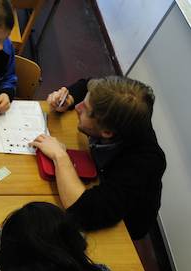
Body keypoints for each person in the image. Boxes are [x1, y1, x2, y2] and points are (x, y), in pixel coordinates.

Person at [30, 76, 166, 240]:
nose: (78, 108)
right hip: (100, 176)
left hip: (123, 223)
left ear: (107, 132)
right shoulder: (122, 109)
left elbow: (82, 211)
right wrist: (70, 98)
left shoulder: (144, 164)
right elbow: (86, 85)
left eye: (86, 109)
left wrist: (60, 155)